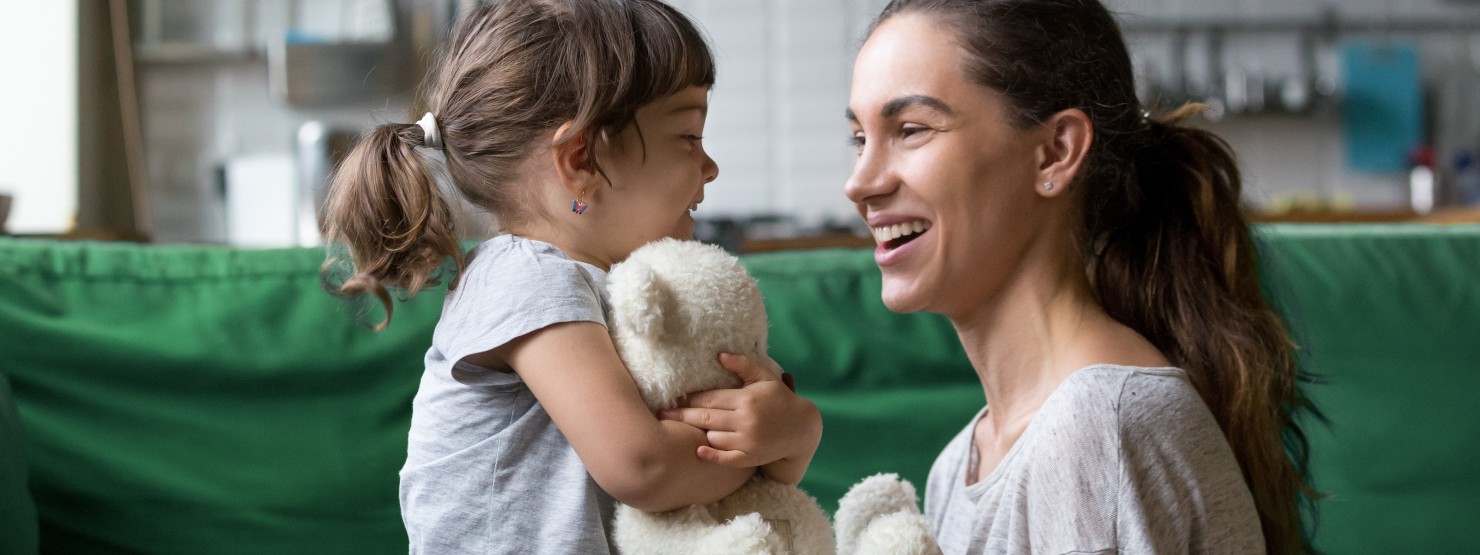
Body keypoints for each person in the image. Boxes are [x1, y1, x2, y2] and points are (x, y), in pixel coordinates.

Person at [319, 1, 823, 553]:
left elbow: (698, 495)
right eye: (688, 136)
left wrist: (781, 440)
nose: (711, 167)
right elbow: (646, 468)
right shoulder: (525, 277)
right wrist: (782, 443)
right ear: (581, 159)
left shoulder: (611, 288)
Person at [844, 0, 1316, 553]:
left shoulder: (1096, 426)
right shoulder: (959, 466)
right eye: (859, 139)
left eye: (911, 129)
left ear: (1054, 152)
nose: (861, 182)